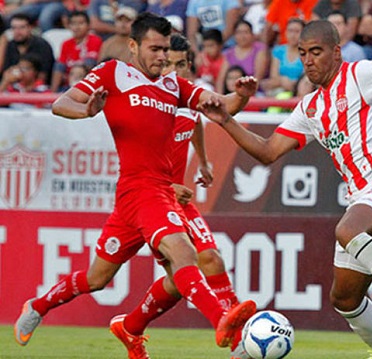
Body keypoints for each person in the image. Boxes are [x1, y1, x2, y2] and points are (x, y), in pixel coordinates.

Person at [13, 13, 257, 355]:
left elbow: (223, 106)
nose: (161, 57)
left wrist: (241, 96)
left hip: (148, 194)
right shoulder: (114, 72)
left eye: (165, 49)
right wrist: (87, 112)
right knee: (183, 253)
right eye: (155, 49)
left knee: (99, 278)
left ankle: (41, 307)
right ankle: (222, 318)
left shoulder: (175, 86)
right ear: (133, 46)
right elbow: (61, 103)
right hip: (141, 189)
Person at [202, 20, 372, 359]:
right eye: (303, 54)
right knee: (345, 299)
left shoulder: (361, 75)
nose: (308, 60)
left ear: (335, 52)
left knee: (346, 229)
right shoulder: (310, 107)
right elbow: (268, 151)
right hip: (366, 199)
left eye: (316, 52)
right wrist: (227, 121)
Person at [109, 33, 246, 359]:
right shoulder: (146, 103)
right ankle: (238, 337)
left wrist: (203, 158)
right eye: (168, 64)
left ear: (190, 64)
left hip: (176, 202)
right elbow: (136, 161)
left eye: (180, 65)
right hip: (150, 200)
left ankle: (131, 325)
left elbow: (195, 121)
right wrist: (169, 186)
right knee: (208, 260)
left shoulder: (185, 98)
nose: (174, 72)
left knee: (178, 278)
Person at [51, 11, 103, 92]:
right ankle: (52, 94)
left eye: (81, 23)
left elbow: (91, 65)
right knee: (58, 65)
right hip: (68, 84)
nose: (77, 27)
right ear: (69, 26)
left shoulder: (95, 40)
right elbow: (60, 66)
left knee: (82, 67)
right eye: (73, 23)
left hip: (88, 83)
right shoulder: (66, 43)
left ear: (88, 25)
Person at [1, 13, 55, 85]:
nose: (17, 32)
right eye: (14, 28)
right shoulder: (10, 45)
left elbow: (44, 74)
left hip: (38, 88)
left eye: (22, 27)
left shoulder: (42, 45)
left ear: (30, 28)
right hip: (12, 87)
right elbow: (6, 71)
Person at [262, 18, 305, 95]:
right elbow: (274, 76)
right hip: (279, 89)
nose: (293, 35)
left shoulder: (306, 53)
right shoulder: (278, 50)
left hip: (300, 91)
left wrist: (290, 84)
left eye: (297, 31)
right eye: (290, 31)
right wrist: (283, 81)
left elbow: (306, 78)